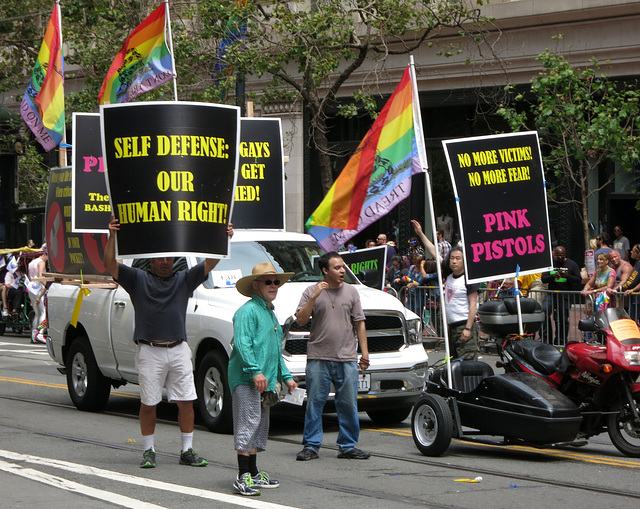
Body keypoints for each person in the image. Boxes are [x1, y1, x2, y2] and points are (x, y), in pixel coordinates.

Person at [103, 214, 233, 469]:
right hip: (150, 350)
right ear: (151, 260)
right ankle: (149, 450)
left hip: (179, 349)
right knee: (148, 402)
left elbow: (210, 262)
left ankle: (187, 450)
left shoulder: (184, 279)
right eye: (160, 258)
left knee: (186, 401)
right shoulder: (137, 279)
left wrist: (223, 238)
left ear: (174, 260)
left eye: (169, 258)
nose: (165, 262)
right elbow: (110, 264)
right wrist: (112, 235)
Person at [229, 262, 298, 496]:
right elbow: (242, 344)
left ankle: (253, 473)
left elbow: (275, 352)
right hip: (248, 379)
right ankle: (242, 476)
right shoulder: (247, 311)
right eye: (268, 282)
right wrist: (254, 371)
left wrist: (286, 377)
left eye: (276, 281)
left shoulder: (269, 312)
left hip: (264, 381)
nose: (273, 285)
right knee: (248, 424)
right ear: (255, 285)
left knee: (258, 426)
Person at [295, 251, 370, 461]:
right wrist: (314, 297)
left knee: (348, 403)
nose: (342, 271)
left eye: (343, 267)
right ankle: (311, 445)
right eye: (337, 268)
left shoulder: (352, 292)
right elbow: (300, 320)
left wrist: (364, 352)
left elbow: (359, 323)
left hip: (346, 357)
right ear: (325, 271)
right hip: (318, 356)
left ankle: (347, 446)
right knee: (315, 402)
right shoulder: (311, 290)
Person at [412, 220, 479, 361]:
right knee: (453, 363)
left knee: (467, 364)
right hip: (452, 328)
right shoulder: (448, 274)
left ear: (464, 261)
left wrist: (468, 328)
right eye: (452, 258)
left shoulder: (469, 279)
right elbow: (434, 251)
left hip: (464, 326)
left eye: (458, 259)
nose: (454, 261)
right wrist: (421, 234)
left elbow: (473, 304)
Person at [540, 246, 581, 344]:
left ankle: (560, 340)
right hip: (552, 294)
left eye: (562, 256)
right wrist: (553, 276)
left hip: (565, 296)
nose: (559, 258)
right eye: (558, 256)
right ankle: (546, 338)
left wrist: (567, 276)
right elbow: (543, 279)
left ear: (565, 255)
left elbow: (578, 280)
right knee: (543, 311)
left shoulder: (572, 264)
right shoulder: (551, 264)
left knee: (562, 319)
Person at [28, 248, 48, 341]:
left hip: (31, 287)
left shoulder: (31, 262)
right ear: (44, 254)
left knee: (37, 313)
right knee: (43, 312)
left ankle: (33, 334)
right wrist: (47, 285)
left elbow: (30, 277)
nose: (47, 259)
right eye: (47, 256)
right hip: (38, 288)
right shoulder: (41, 262)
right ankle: (40, 333)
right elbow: (40, 276)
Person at [622, 244, 640, 322]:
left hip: (637, 299)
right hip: (636, 298)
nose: (631, 252)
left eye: (633, 251)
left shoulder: (639, 265)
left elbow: (632, 280)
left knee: (633, 321)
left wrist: (622, 288)